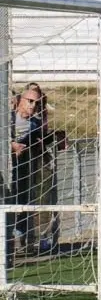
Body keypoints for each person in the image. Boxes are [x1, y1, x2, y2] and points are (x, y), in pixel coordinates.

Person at [6, 87, 48, 255]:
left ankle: (19, 240)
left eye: (36, 103)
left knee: (23, 202)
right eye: (30, 101)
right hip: (5, 171)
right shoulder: (8, 119)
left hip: (23, 170)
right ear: (20, 100)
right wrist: (11, 145)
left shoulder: (35, 123)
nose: (33, 105)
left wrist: (55, 140)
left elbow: (40, 142)